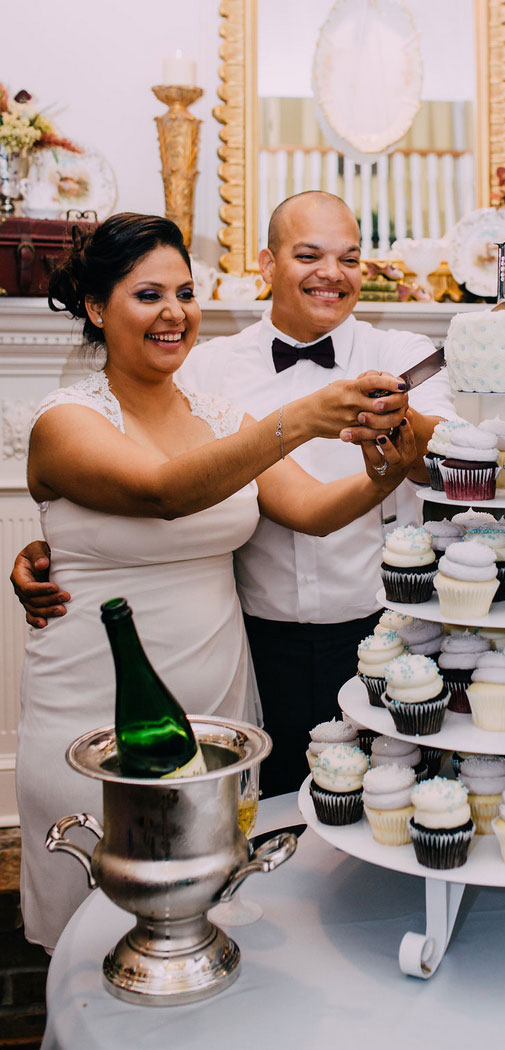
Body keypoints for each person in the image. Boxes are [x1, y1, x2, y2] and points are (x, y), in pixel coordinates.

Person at [14, 212, 416, 952]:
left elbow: (312, 512)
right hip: (95, 706)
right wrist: (296, 420)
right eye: (148, 296)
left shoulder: (219, 415)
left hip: (218, 702)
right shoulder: (64, 422)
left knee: (207, 924)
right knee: (97, 936)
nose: (175, 313)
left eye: (186, 293)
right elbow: (163, 492)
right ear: (98, 309)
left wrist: (385, 466)